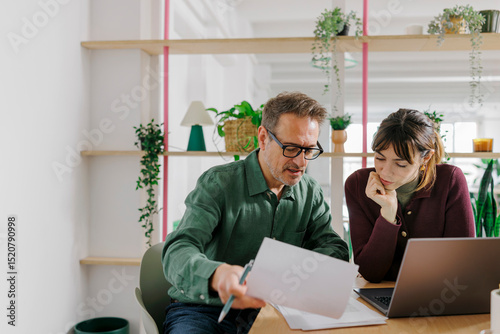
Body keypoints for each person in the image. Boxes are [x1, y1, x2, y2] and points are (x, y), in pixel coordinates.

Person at [162, 91, 349, 334]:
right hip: (205, 309)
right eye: (291, 148)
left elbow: (332, 246)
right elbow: (178, 249)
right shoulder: (218, 183)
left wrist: (304, 269)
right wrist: (217, 275)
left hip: (277, 308)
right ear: (263, 137)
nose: (302, 162)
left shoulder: (310, 191)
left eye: (309, 150)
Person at [345, 108, 475, 283]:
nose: (386, 172)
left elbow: (463, 261)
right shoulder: (358, 184)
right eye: (379, 158)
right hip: (379, 295)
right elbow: (370, 272)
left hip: (437, 294)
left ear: (426, 158)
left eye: (401, 164)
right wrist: (388, 214)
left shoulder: (450, 180)